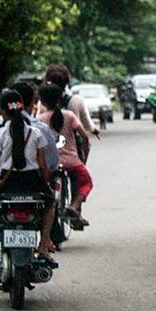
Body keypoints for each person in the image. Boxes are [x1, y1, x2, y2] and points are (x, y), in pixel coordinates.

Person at [0, 90, 56, 259]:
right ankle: (43, 246)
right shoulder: (35, 133)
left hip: (7, 183)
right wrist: (46, 183)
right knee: (50, 206)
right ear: (21, 108)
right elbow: (42, 165)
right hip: (32, 182)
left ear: (2, 111)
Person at [37, 84, 93, 228]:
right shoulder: (69, 115)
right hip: (73, 162)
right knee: (87, 182)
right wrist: (83, 158)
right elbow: (85, 138)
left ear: (42, 102)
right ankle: (75, 206)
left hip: (50, 164)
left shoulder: (40, 119)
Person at [40, 63, 100, 147]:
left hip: (50, 147)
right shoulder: (77, 100)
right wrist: (94, 129)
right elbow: (86, 122)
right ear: (67, 81)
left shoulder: (43, 102)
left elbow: (37, 124)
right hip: (73, 147)